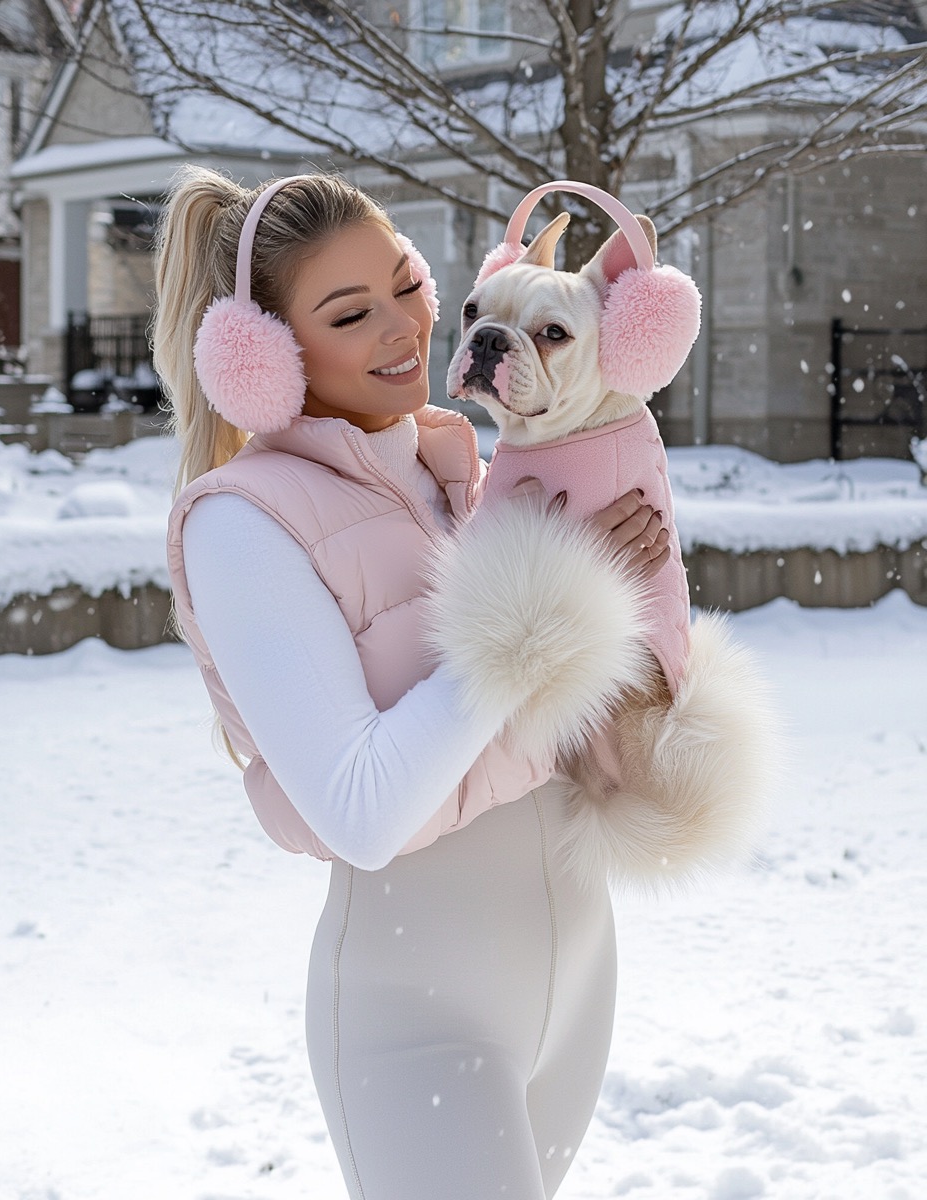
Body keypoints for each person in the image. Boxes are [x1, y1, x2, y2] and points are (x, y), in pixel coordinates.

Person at [156, 166, 674, 1200]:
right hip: (417, 1019)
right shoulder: (243, 524)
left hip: (575, 972)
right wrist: (550, 599)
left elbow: (542, 725)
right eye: (352, 313)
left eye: (407, 285)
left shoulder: (462, 474)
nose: (404, 330)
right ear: (264, 359)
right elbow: (360, 808)